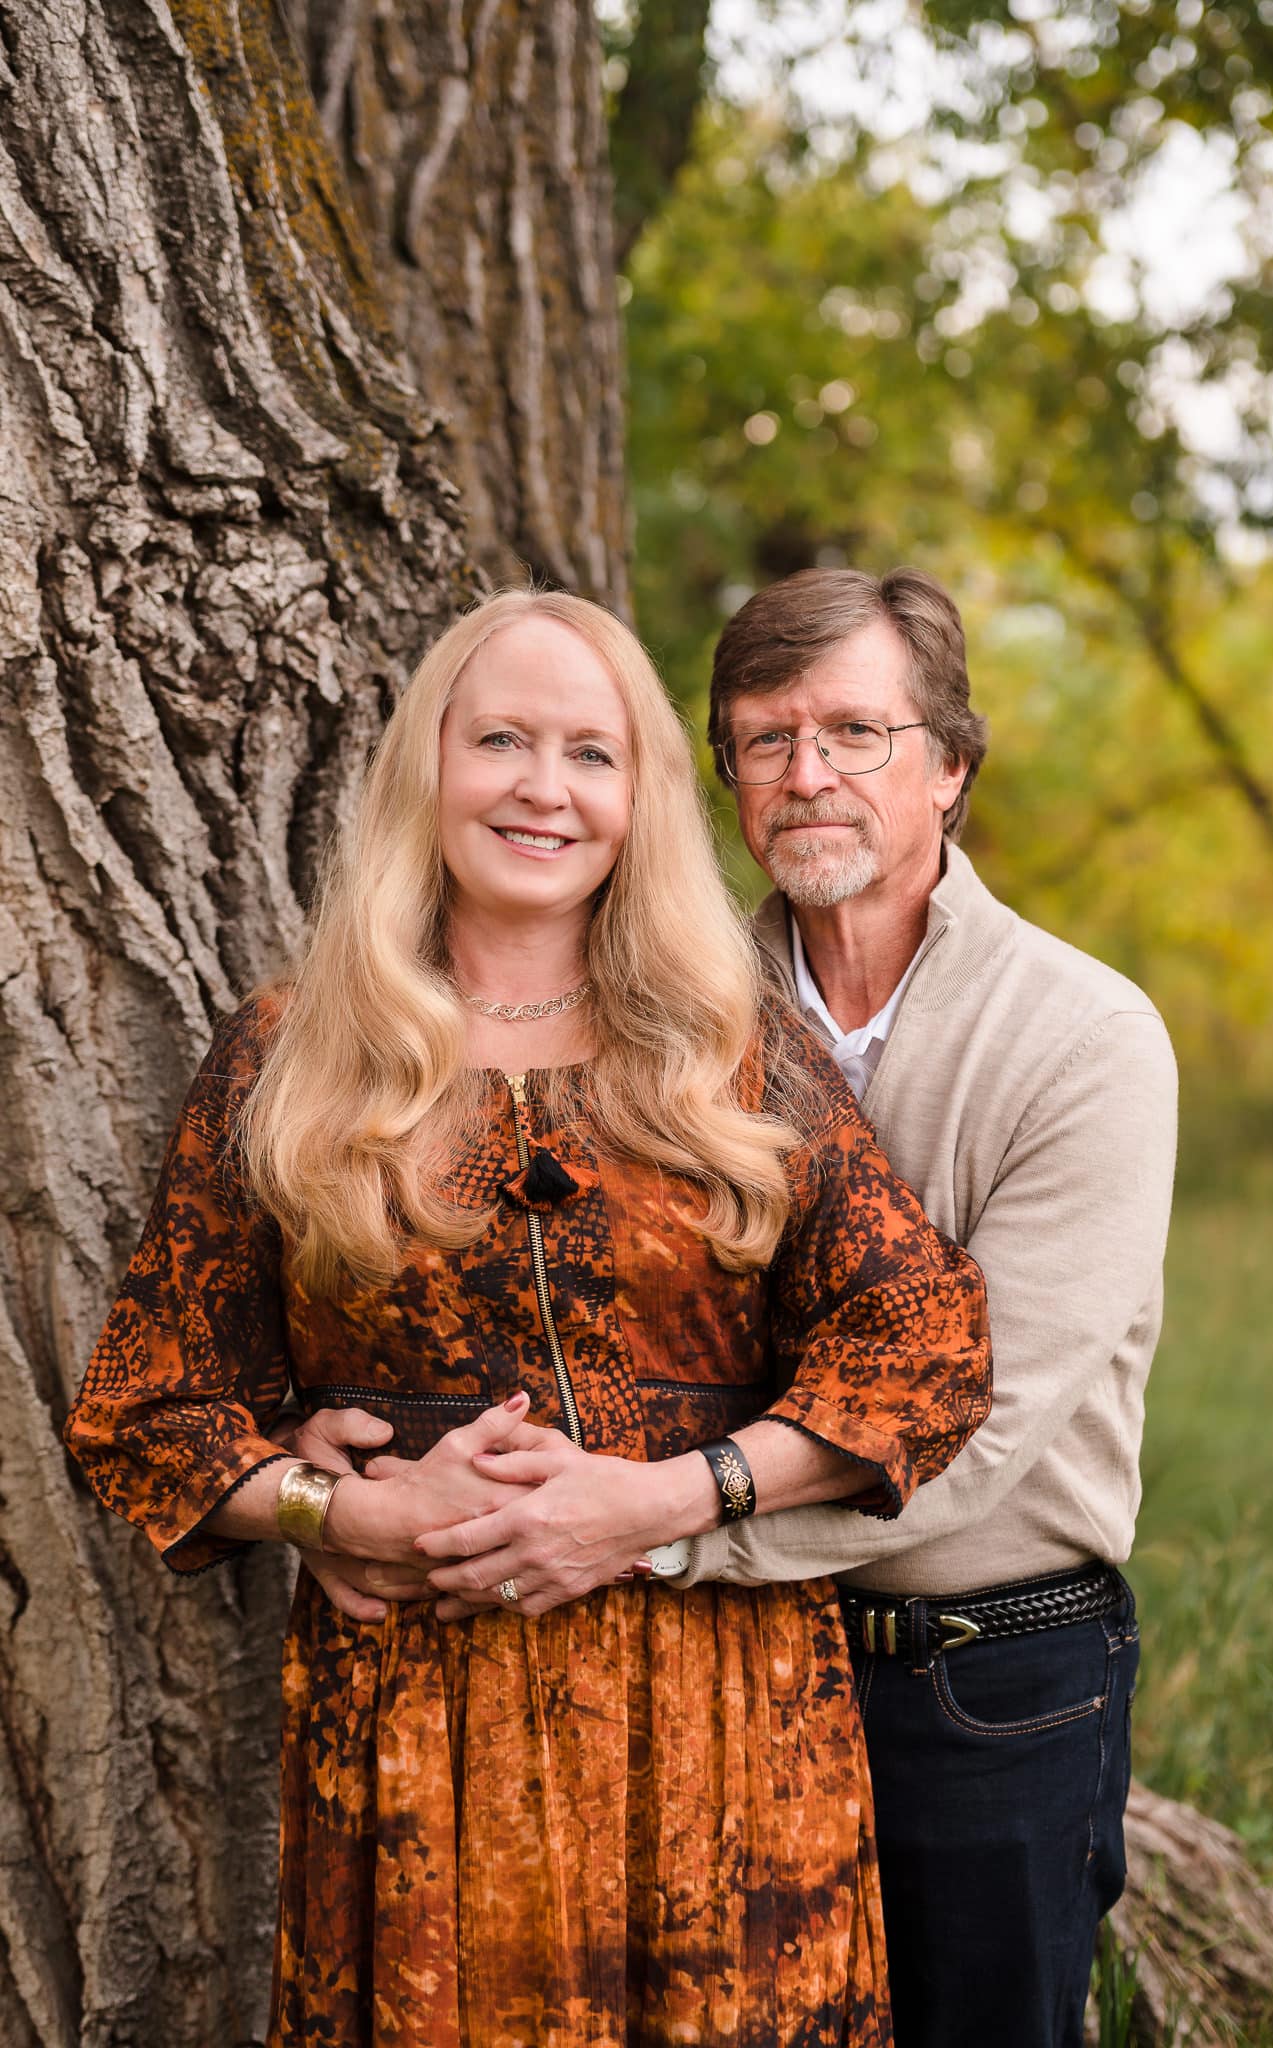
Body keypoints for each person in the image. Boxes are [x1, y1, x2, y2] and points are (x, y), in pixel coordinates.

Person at [64, 587, 991, 2048]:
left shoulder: (729, 1047)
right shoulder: (295, 1050)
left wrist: (666, 1500)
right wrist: (334, 1514)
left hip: (717, 1701)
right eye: (500, 739)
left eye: (591, 752)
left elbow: (921, 1344)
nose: (542, 789)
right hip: (416, 1719)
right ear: (427, 765)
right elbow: (148, 1406)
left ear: (640, 799)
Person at [679, 564, 1178, 2048]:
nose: (804, 775)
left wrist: (647, 1529)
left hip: (984, 1678)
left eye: (854, 733)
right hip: (731, 1668)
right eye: (762, 740)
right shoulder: (673, 1014)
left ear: (949, 767)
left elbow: (982, 1426)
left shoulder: (1086, 1036)